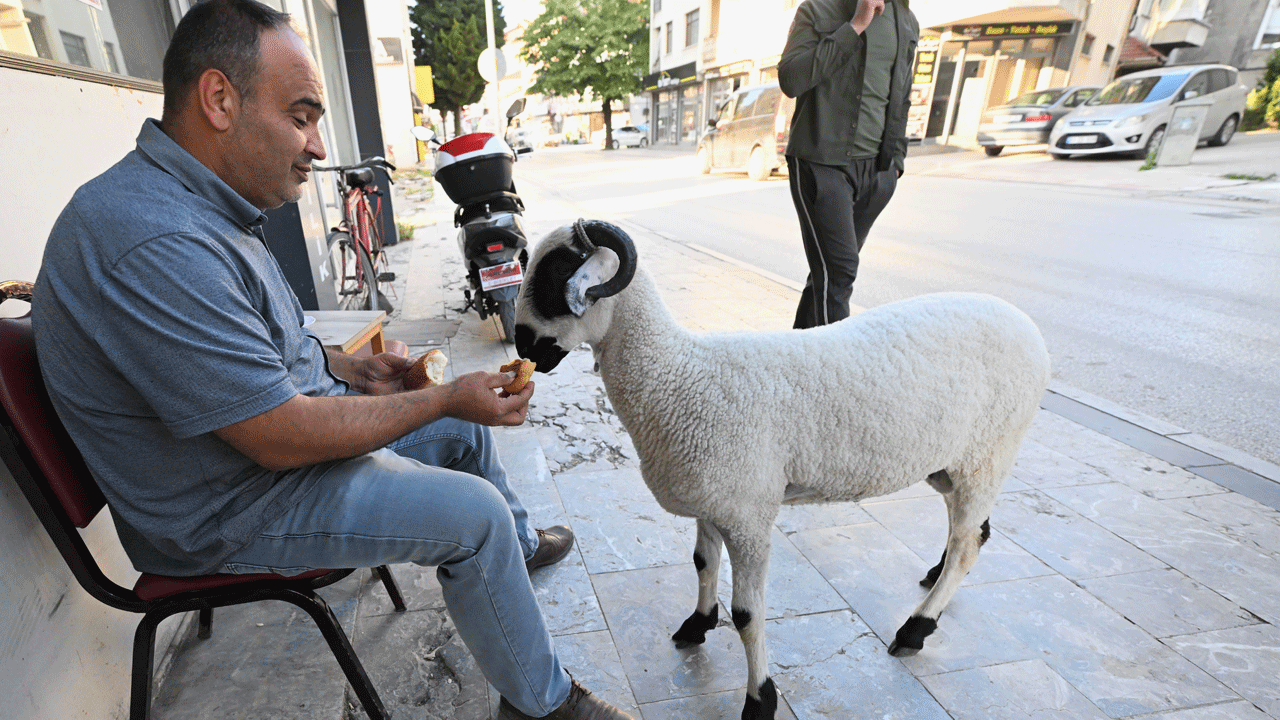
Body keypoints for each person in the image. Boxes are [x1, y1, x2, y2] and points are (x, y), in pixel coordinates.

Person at [31, 2, 632, 719]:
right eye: (302, 116)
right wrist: (439, 399)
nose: (318, 146)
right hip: (229, 507)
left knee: (464, 439)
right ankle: (544, 704)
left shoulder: (201, 208)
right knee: (471, 509)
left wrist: (350, 374)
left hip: (253, 462)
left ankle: (514, 551)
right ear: (219, 100)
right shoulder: (153, 240)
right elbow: (276, 437)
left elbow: (256, 348)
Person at [778, 0, 920, 328]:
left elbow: (902, 92)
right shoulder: (817, 9)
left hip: (879, 170)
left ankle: (799, 355)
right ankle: (834, 374)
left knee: (828, 276)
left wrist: (896, 161)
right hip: (821, 163)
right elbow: (791, 79)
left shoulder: (908, 20)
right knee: (839, 272)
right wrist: (856, 25)